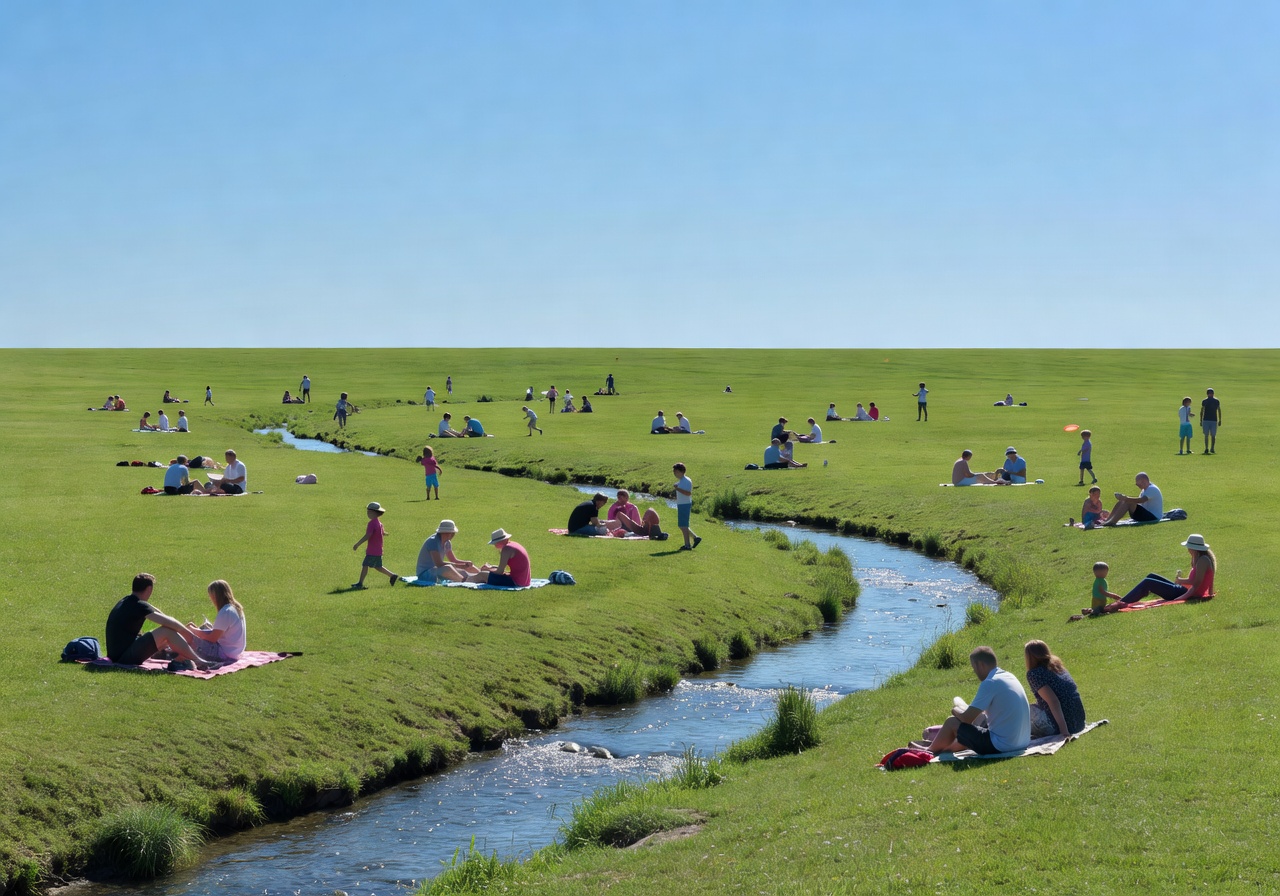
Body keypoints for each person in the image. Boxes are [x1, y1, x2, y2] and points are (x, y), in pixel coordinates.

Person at [925, 646, 1030, 755]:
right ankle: (944, 750)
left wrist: (955, 710)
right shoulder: (1009, 676)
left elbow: (967, 719)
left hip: (1002, 746)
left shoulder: (990, 682)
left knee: (951, 722)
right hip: (1022, 742)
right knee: (972, 730)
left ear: (980, 665)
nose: (975, 672)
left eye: (974, 668)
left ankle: (929, 752)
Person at [105, 573, 213, 669]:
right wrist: (190, 635)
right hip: (123, 658)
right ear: (149, 589)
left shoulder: (127, 600)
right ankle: (199, 661)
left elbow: (156, 611)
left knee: (167, 634)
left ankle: (178, 659)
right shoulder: (139, 605)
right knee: (166, 631)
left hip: (117, 654)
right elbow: (169, 622)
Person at [1100, 534, 1216, 612]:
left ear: (1193, 548)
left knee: (1148, 583)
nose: (1187, 550)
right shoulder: (1202, 558)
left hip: (1185, 592)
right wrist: (1210, 593)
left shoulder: (1202, 561)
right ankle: (1122, 601)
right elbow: (1209, 580)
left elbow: (1196, 584)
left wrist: (1181, 597)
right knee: (1151, 576)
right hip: (1183, 590)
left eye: (1188, 547)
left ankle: (1120, 603)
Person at [1023, 640, 1086, 738]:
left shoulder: (1034, 674)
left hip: (1061, 726)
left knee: (1022, 711)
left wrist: (1064, 731)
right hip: (1078, 723)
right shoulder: (1058, 666)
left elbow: (1053, 701)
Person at [183, 580, 247, 664]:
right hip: (235, 652)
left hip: (224, 654)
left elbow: (212, 639)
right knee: (195, 630)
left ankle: (169, 652)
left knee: (188, 635)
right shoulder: (236, 608)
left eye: (210, 596)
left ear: (215, 596)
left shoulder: (226, 612)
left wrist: (193, 630)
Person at [415, 519, 480, 582]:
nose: (452, 535)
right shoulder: (433, 542)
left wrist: (466, 563)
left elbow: (453, 560)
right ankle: (464, 581)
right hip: (425, 574)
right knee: (448, 568)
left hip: (436, 570)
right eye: (452, 533)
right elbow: (439, 564)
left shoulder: (447, 543)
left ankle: (483, 576)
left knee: (464, 570)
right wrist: (460, 566)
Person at [353, 502, 399, 588]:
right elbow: (381, 532)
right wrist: (385, 533)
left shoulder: (371, 523)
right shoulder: (379, 523)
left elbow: (368, 535)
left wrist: (357, 544)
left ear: (374, 513)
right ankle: (392, 575)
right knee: (378, 566)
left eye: (369, 512)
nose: (368, 513)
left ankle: (360, 584)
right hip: (378, 550)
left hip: (372, 550)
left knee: (365, 565)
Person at [465, 528, 532, 587]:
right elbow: (502, 568)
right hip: (524, 581)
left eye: (495, 543)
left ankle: (463, 581)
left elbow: (500, 572)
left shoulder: (507, 549)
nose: (494, 545)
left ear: (500, 541)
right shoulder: (513, 545)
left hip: (516, 582)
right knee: (487, 571)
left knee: (482, 574)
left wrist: (488, 569)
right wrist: (491, 568)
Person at [673, 463, 700, 550]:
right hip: (682, 504)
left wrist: (677, 489)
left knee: (683, 525)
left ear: (681, 471)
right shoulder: (681, 481)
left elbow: (688, 493)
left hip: (685, 504)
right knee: (682, 525)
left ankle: (687, 545)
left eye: (676, 471)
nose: (674, 473)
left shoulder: (686, 481)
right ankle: (695, 538)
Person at [1200, 388, 1221, 454]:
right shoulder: (1204, 401)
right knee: (1206, 435)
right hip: (1206, 420)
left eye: (1211, 393)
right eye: (1209, 393)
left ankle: (1212, 448)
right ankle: (1206, 448)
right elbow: (1202, 410)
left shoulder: (1216, 401)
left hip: (1214, 420)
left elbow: (1219, 410)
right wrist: (1201, 420)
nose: (1210, 395)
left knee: (1213, 435)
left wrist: (1220, 419)